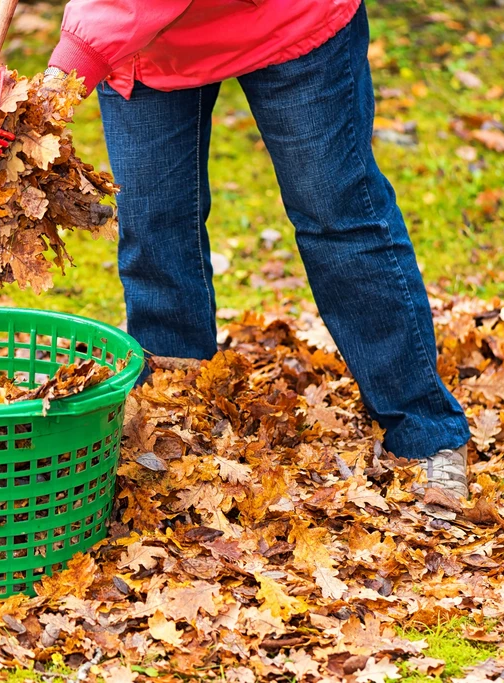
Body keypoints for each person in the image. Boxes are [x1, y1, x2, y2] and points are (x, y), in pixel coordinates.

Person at [40, 0, 472, 499]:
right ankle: (174, 424)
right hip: (144, 46)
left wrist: (71, 61)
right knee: (156, 226)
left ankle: (425, 431)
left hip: (286, 16)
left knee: (339, 217)